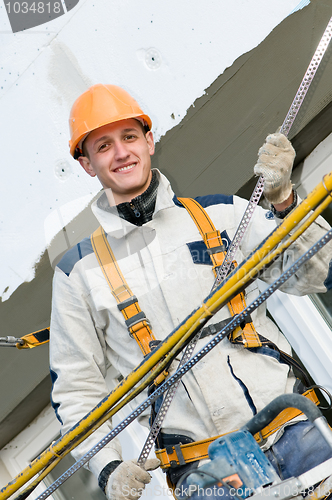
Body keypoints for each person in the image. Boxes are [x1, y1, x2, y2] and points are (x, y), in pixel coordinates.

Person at [49, 84, 332, 500]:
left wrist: (285, 202)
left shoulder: (221, 215)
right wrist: (107, 467)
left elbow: (318, 275)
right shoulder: (79, 275)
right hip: (207, 472)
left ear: (149, 141)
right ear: (87, 164)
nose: (121, 152)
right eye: (103, 146)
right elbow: (77, 390)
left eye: (129, 137)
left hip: (295, 429)